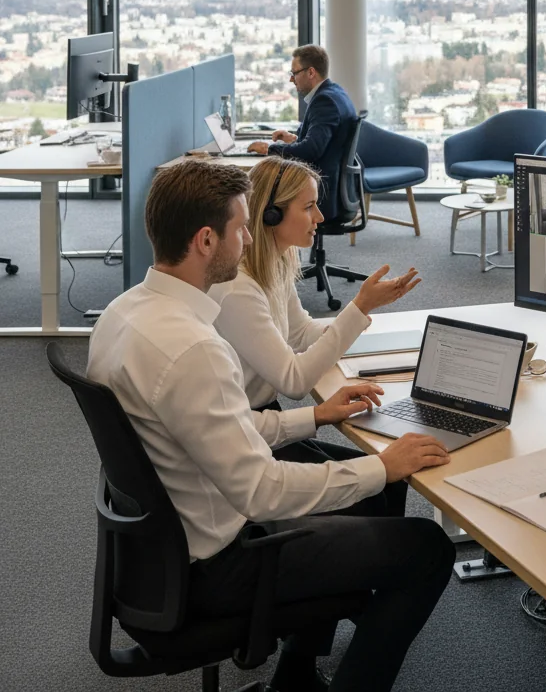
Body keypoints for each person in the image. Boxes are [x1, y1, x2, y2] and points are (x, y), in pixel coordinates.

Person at [87, 158, 454, 692]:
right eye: (240, 227)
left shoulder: (122, 315)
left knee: (362, 490)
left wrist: (318, 422)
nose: (248, 237)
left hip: (167, 546)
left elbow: (226, 427)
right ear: (207, 240)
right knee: (428, 549)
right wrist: (379, 467)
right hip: (221, 561)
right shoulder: (195, 348)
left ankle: (296, 676)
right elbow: (262, 490)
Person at [210, 157, 420, 516]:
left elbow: (302, 331)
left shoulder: (275, 260)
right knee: (380, 484)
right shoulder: (237, 288)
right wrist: (357, 310)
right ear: (270, 215)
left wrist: (362, 316)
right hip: (247, 433)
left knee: (389, 481)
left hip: (266, 419)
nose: (320, 217)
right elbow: (294, 380)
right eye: (308, 207)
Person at [248, 44, 357, 222]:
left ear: (311, 72)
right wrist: (294, 140)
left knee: (257, 193)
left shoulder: (324, 101)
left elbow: (311, 151)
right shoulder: (335, 92)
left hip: (323, 192)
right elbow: (325, 142)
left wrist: (269, 149)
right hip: (336, 185)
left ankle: (269, 248)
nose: (292, 80)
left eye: (294, 73)